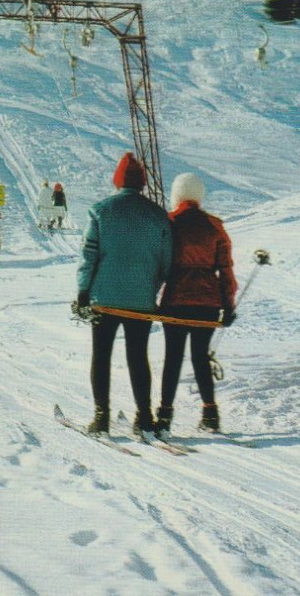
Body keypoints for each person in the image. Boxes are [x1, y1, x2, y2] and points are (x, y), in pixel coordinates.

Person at [76, 152, 172, 436]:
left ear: (117, 181)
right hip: (140, 301)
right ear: (143, 183)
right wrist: (150, 288)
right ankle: (143, 417)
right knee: (138, 356)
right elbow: (166, 263)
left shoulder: (100, 211)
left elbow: (88, 255)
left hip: (103, 300)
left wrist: (83, 291)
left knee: (101, 355)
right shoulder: (158, 215)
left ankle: (101, 417)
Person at [156, 172, 237, 435]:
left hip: (175, 300)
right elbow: (226, 270)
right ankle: (210, 414)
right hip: (208, 302)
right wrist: (228, 305)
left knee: (173, 357)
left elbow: (160, 265)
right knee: (201, 357)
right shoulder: (215, 226)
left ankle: (165, 416)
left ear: (177, 195)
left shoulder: (169, 223)